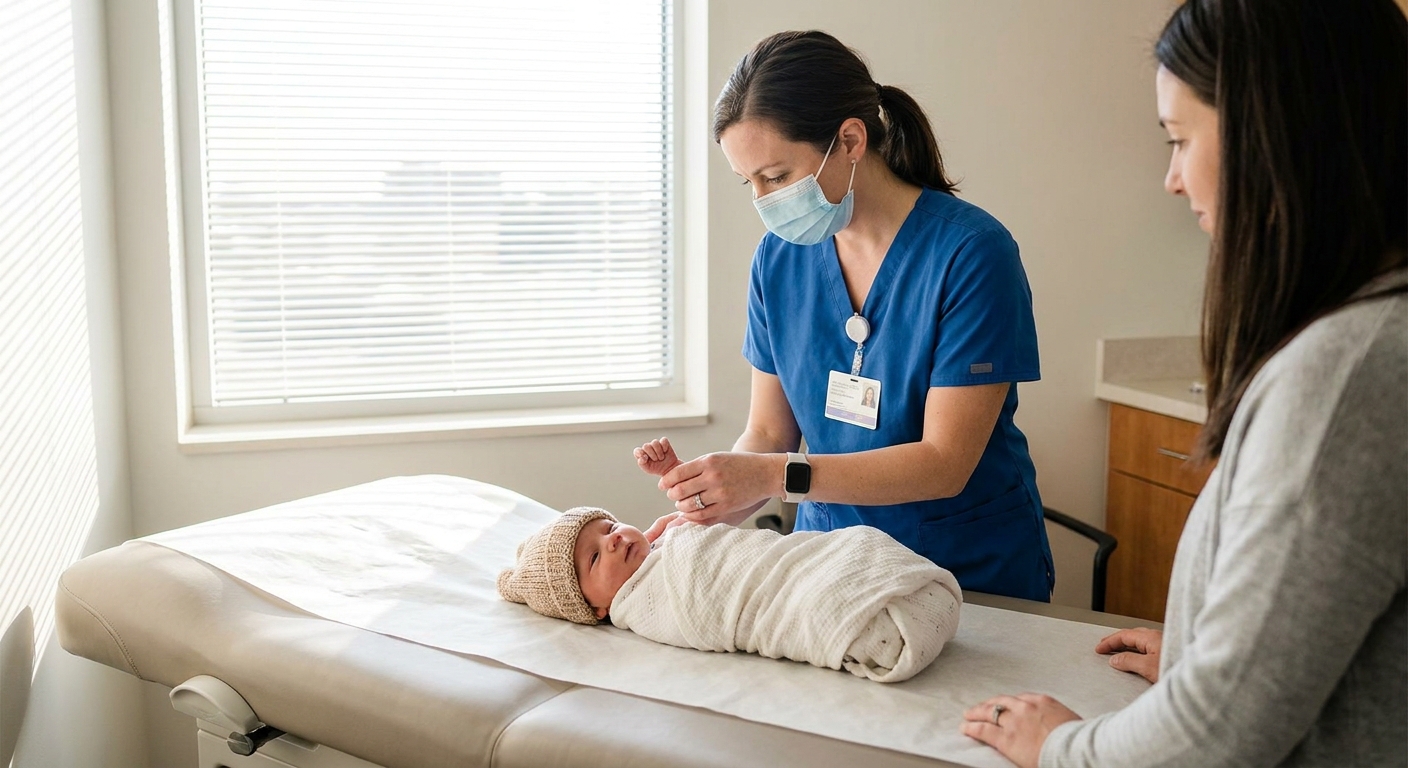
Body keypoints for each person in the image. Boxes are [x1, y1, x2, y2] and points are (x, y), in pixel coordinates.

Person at [961, 1, 1407, 766]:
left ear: (1275, 136)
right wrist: (1218, 650)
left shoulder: (1343, 378)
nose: (1171, 179)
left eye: (1178, 140)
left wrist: (1060, 747)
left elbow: (1213, 738)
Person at [646, 31, 1054, 602]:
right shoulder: (780, 260)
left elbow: (945, 463)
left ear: (851, 139)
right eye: (750, 182)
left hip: (968, 571)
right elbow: (768, 432)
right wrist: (712, 506)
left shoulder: (971, 253)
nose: (763, 201)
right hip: (832, 567)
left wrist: (770, 476)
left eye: (778, 176)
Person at [495, 501, 962, 683]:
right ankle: (872, 619)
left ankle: (877, 582)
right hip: (840, 609)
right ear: (595, 609)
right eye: (596, 558)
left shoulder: (666, 545)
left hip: (818, 558)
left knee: (852, 545)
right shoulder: (647, 604)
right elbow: (709, 599)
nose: (613, 540)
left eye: (611, 527)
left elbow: (738, 549)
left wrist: (683, 520)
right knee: (812, 597)